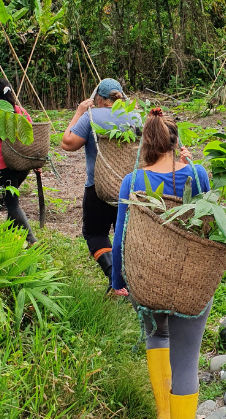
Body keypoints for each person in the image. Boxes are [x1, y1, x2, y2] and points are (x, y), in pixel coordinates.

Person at [110, 108, 211, 419]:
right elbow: (210, 227)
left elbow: (121, 238)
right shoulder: (198, 175)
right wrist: (190, 165)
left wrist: (118, 281)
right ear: (175, 141)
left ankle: (163, 414)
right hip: (190, 281)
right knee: (186, 362)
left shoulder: (133, 180)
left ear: (146, 144)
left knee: (157, 335)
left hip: (148, 281)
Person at [61, 78, 138, 290]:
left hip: (98, 188)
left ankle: (116, 281)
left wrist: (78, 112)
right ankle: (131, 282)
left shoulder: (91, 116)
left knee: (95, 234)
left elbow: (67, 144)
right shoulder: (136, 117)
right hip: (131, 189)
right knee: (126, 237)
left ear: (99, 99)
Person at [0, 78, 37, 244]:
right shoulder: (20, 111)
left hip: (5, 166)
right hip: (23, 165)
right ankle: (6, 233)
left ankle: (31, 240)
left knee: (12, 204)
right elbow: (32, 136)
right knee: (9, 196)